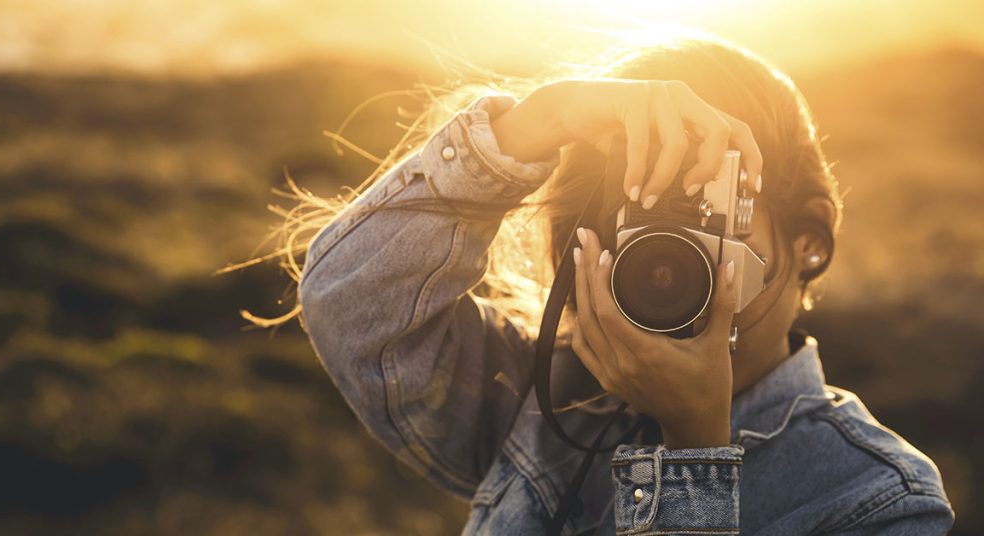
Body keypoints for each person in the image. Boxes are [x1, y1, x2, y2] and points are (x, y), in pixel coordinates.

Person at [293, 35, 955, 534]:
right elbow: (352, 304)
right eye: (642, 246)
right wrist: (534, 125)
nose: (672, 274)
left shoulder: (878, 500)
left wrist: (697, 439)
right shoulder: (543, 399)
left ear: (809, 239)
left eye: (711, 236)